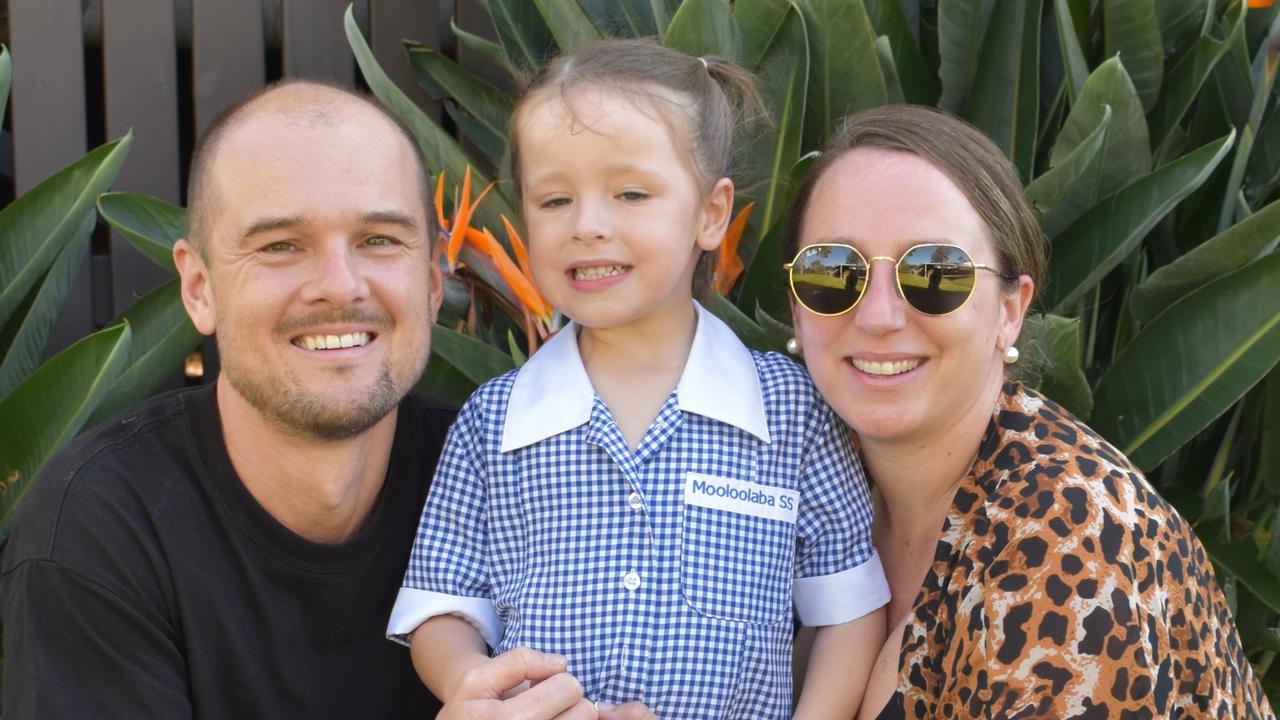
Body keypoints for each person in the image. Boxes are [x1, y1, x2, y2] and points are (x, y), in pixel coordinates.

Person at [0, 80, 588, 720]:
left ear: (429, 284)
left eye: (379, 239)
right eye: (280, 246)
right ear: (199, 289)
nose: (339, 286)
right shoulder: (102, 524)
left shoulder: (521, 483)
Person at [387, 38, 889, 719]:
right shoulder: (493, 422)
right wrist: (474, 685)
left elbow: (848, 612)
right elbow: (442, 608)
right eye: (555, 199)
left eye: (630, 193)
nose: (589, 226)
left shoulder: (790, 412)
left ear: (711, 214)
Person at [780, 104, 1275, 718]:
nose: (878, 316)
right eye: (834, 270)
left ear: (1010, 310)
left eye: (935, 272)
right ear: (798, 308)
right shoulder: (791, 475)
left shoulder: (1074, 544)